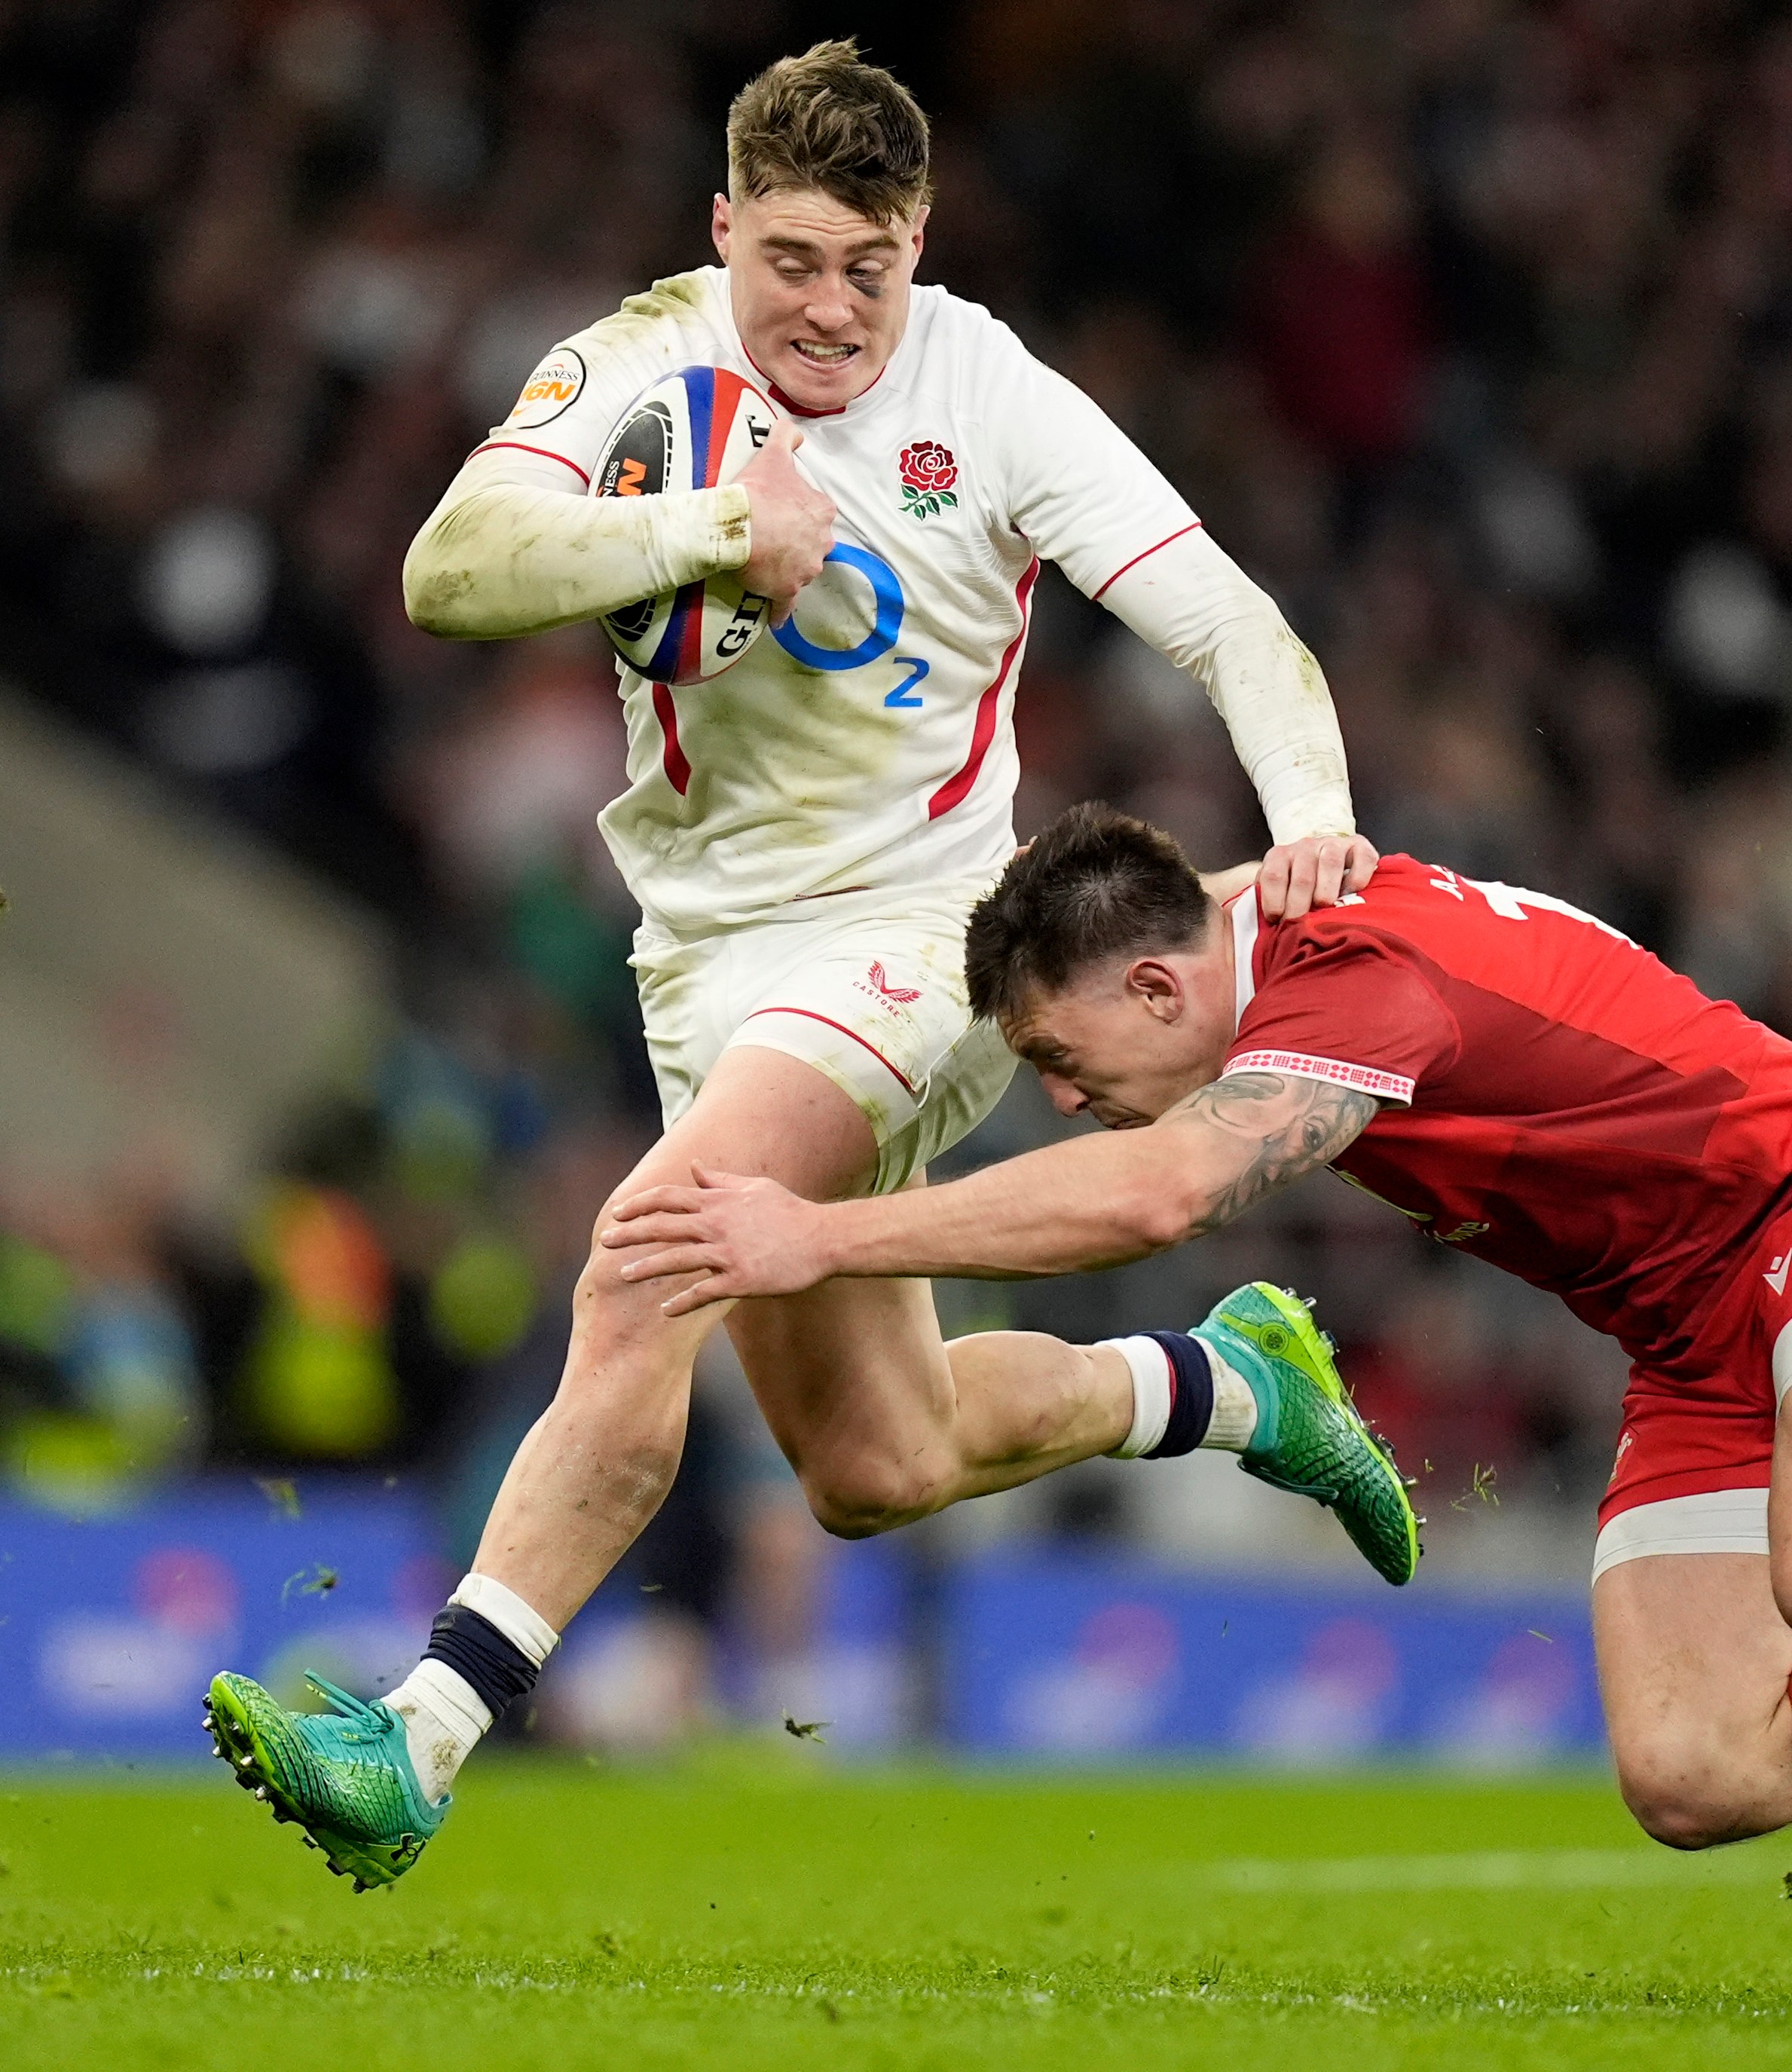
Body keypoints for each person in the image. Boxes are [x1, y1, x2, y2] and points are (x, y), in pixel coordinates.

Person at [201, 41, 1416, 1888]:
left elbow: (1232, 625)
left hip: (928, 938)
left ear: (918, 242)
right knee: (876, 1462)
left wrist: (1312, 808)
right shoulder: (639, 364)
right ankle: (1237, 1388)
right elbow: (448, 570)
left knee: (653, 1248)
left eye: (872, 262)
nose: (833, 308)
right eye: (791, 260)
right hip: (704, 960)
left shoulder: (987, 387)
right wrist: (711, 526)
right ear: (721, 229)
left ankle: (419, 1737)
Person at [602, 805, 1792, 2023]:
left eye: (1069, 1065)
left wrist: (813, 1229)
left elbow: (1157, 1198)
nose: (1066, 1100)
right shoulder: (1237, 932)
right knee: (1691, 1775)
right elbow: (1161, 976)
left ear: (1160, 984)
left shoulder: (1341, 995)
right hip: (1693, 1325)